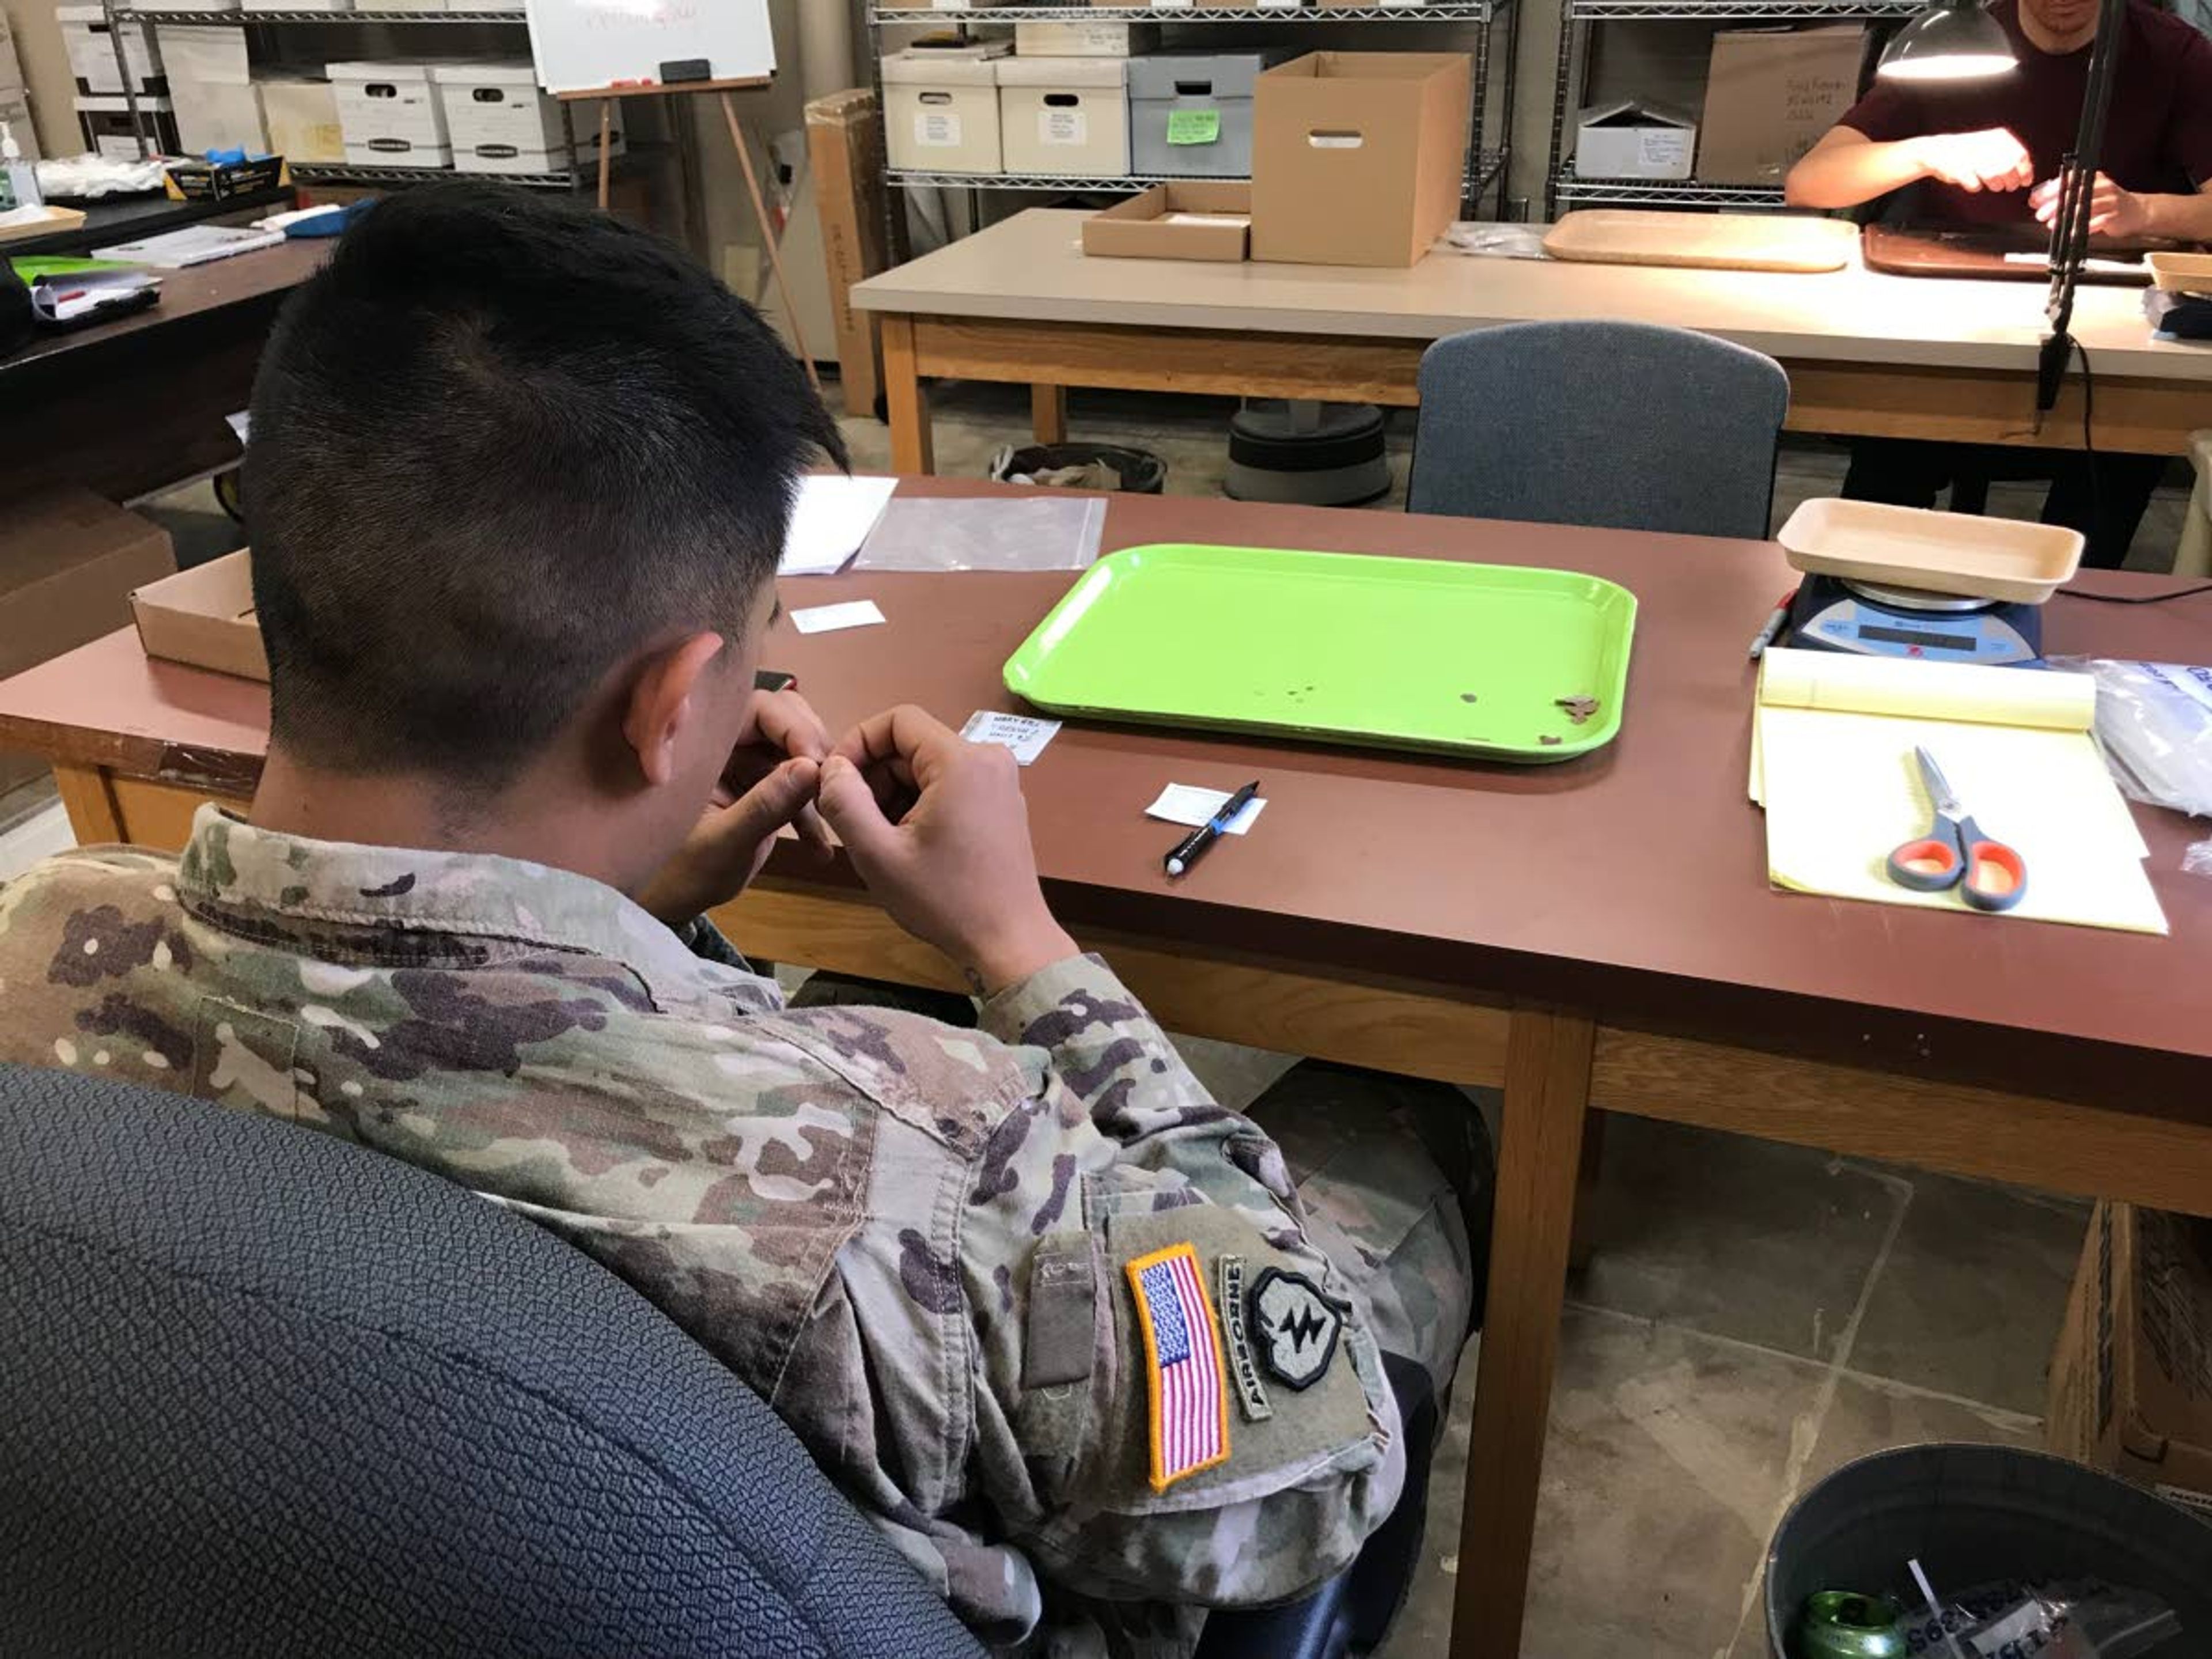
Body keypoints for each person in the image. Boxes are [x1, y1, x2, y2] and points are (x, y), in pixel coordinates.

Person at [0, 183, 1487, 1657]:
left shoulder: (38, 946)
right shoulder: (926, 1191)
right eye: (757, 645)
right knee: (1401, 1137)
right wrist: (1024, 947)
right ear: (669, 713)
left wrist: (625, 901)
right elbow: (1326, 1454)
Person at [1784, 0, 2212, 567]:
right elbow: (1809, 182)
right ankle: (1863, 597)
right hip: (1954, 324)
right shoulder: (1958, 44)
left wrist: (2144, 212)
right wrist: (1925, 153)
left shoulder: (2174, 54)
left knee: (2120, 459)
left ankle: (2075, 604)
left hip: (2110, 335)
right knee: (1891, 452)